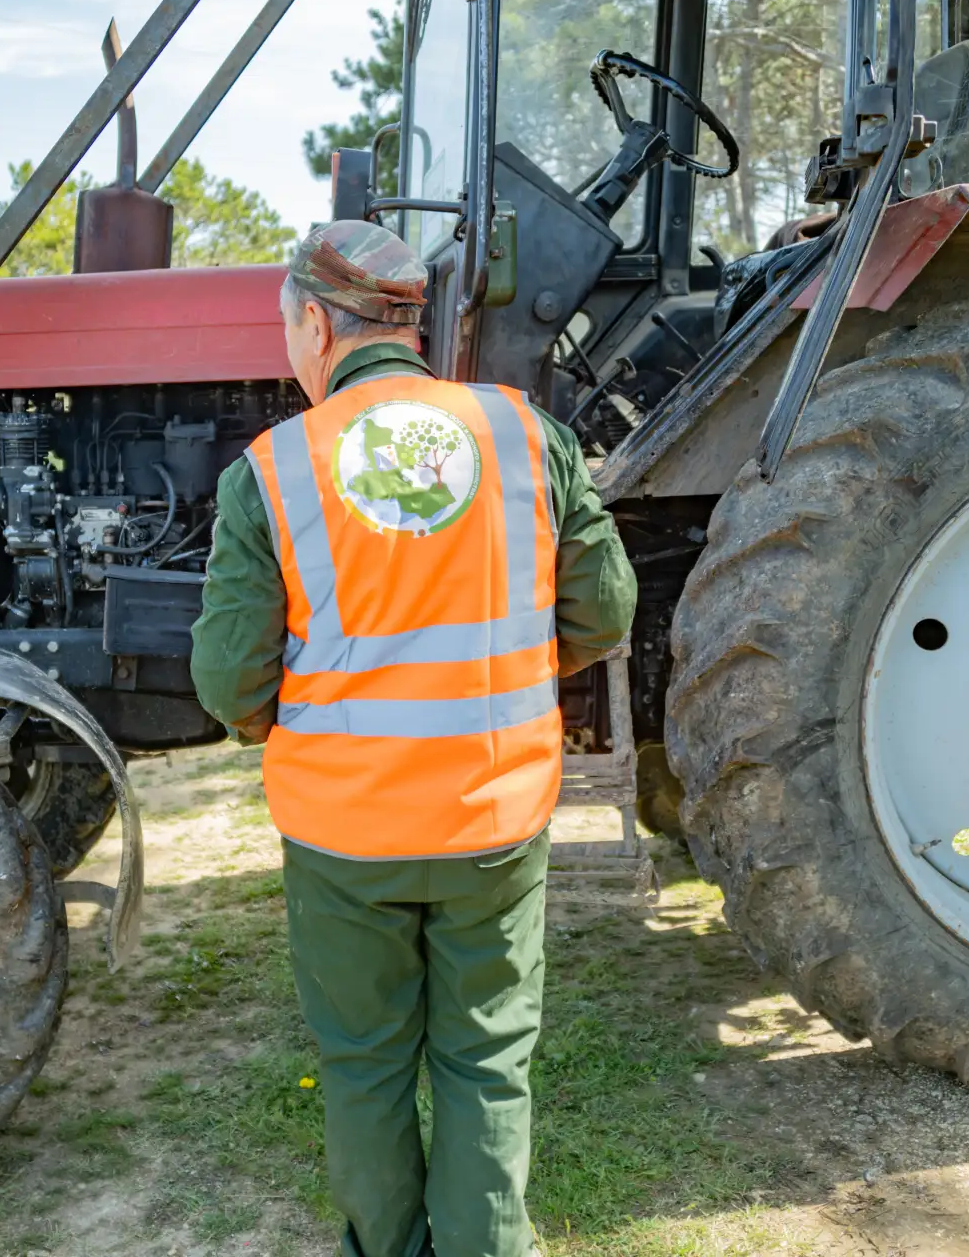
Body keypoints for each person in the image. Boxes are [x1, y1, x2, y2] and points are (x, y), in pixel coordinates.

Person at [190, 220, 636, 1257]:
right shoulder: (524, 434)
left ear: (315, 322)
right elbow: (605, 608)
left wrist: (281, 717)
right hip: (495, 814)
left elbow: (227, 676)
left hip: (345, 832)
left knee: (365, 1062)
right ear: (410, 325)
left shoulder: (274, 469)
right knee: (486, 1061)